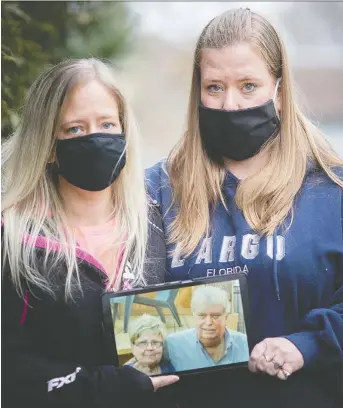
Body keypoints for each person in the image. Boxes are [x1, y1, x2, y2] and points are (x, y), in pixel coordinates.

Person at [146, 8, 343, 408]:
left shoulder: (332, 189)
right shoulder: (157, 191)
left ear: (280, 91)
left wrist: (310, 343)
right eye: (214, 87)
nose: (231, 104)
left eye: (249, 85)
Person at [2, 58, 179, 408]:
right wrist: (101, 387)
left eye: (107, 124)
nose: (96, 138)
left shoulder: (153, 224)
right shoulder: (13, 241)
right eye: (75, 129)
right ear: (48, 144)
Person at [166, 286, 248, 370]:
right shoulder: (172, 345)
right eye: (202, 315)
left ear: (226, 316)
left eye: (215, 316)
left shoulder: (245, 344)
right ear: (193, 315)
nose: (208, 322)